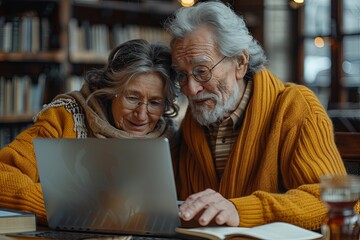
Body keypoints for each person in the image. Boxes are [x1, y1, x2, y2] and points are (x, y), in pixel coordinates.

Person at [165, 1, 347, 230]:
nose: (190, 89)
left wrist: (240, 210)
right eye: (181, 75)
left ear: (240, 63)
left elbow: (332, 201)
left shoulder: (295, 108)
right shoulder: (191, 124)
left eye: (202, 71)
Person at [0, 39, 179, 225]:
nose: (142, 115)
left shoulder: (171, 140)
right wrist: (64, 207)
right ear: (111, 91)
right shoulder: (65, 117)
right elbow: (3, 175)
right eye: (132, 98)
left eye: (155, 103)